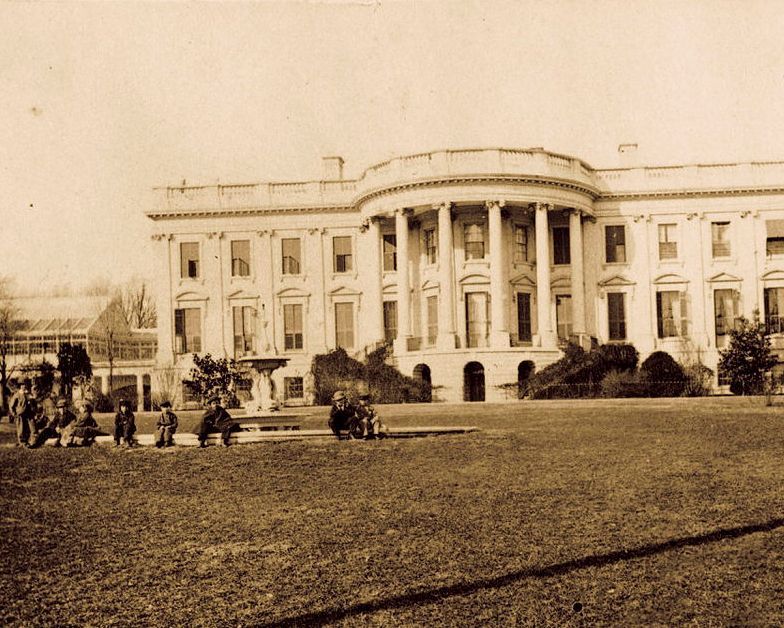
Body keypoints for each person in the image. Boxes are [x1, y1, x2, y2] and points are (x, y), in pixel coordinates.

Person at [10, 380, 37, 447]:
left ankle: (32, 442)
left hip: (29, 413)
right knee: (21, 429)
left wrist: (34, 409)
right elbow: (11, 405)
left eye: (25, 385)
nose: (24, 386)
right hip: (20, 414)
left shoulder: (28, 394)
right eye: (22, 385)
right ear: (20, 386)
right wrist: (14, 414)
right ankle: (22, 442)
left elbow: (34, 403)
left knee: (32, 428)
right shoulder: (17, 395)